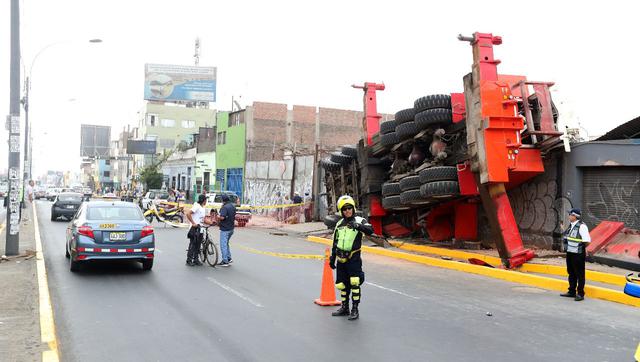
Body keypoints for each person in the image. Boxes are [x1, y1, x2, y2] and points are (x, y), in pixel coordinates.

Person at [330, 195, 374, 320]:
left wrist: (358, 226)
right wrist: (332, 258)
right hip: (341, 259)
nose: (347, 211)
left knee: (354, 283)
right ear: (341, 211)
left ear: (353, 208)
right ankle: (345, 307)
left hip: (353, 258)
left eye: (349, 208)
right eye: (344, 209)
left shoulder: (360, 220)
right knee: (342, 284)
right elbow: (335, 242)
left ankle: (355, 309)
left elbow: (371, 230)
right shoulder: (339, 224)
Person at [560, 208, 591, 301]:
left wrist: (583, 249)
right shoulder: (571, 225)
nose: (569, 216)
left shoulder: (582, 226)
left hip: (578, 254)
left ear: (574, 216)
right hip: (570, 253)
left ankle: (580, 293)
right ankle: (571, 291)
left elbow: (587, 241)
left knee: (580, 274)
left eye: (570, 214)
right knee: (571, 272)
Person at [184, 194, 208, 266]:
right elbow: (188, 213)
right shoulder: (196, 206)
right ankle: (189, 260)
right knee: (193, 244)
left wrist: (210, 222)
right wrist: (193, 223)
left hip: (201, 228)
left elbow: (202, 219)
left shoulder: (202, 208)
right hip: (194, 228)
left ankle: (196, 259)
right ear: (203, 200)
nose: (206, 201)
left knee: (198, 244)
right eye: (206, 200)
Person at [217, 194, 236, 267]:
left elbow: (222, 217)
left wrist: (218, 216)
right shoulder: (232, 206)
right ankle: (229, 258)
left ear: (223, 200)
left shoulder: (225, 207)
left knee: (223, 245)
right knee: (226, 243)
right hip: (231, 228)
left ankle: (225, 261)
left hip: (225, 229)